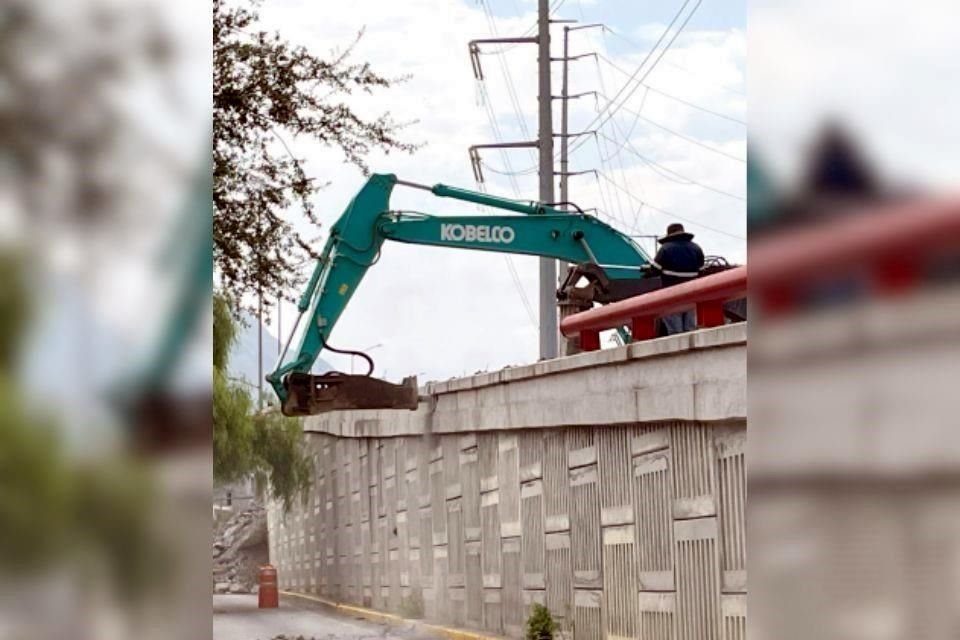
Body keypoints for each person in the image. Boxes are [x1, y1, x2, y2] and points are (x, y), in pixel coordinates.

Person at [644, 223, 705, 334]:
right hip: (692, 294)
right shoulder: (696, 249)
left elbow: (654, 270)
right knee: (690, 328)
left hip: (672, 294)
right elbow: (701, 271)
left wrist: (646, 271)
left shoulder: (665, 249)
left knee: (675, 331)